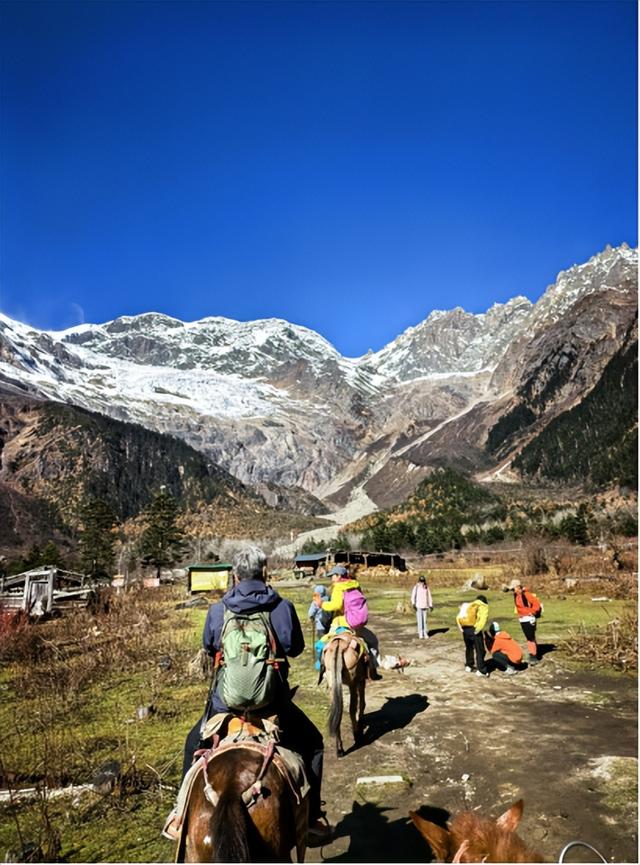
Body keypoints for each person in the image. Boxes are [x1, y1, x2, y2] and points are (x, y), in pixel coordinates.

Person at [165, 545, 331, 845]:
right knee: (314, 743)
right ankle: (314, 817)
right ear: (264, 571)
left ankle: (178, 817)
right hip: (272, 705)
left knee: (192, 742)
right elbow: (295, 648)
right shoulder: (282, 606)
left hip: (224, 707)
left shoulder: (218, 610)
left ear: (235, 575)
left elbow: (208, 646)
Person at [316, 565, 384, 678]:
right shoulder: (355, 585)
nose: (331, 579)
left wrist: (322, 604)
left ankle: (322, 669)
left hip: (339, 624)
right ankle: (373, 670)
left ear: (338, 576)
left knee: (320, 645)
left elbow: (336, 605)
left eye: (332, 576)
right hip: (354, 625)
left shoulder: (338, 587)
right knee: (373, 641)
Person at [509, 579, 542, 665]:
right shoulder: (516, 595)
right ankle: (533, 654)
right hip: (522, 618)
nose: (512, 590)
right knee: (529, 637)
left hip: (529, 618)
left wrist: (532, 612)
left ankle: (533, 656)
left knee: (530, 637)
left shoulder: (527, 594)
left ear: (518, 587)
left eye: (513, 588)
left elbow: (537, 604)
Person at [456, 594, 490, 677]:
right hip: (474, 629)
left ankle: (469, 665)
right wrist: (478, 629)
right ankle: (481, 670)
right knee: (480, 649)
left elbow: (458, 617)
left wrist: (460, 628)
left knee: (469, 648)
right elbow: (483, 618)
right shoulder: (482, 606)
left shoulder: (469, 605)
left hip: (465, 629)